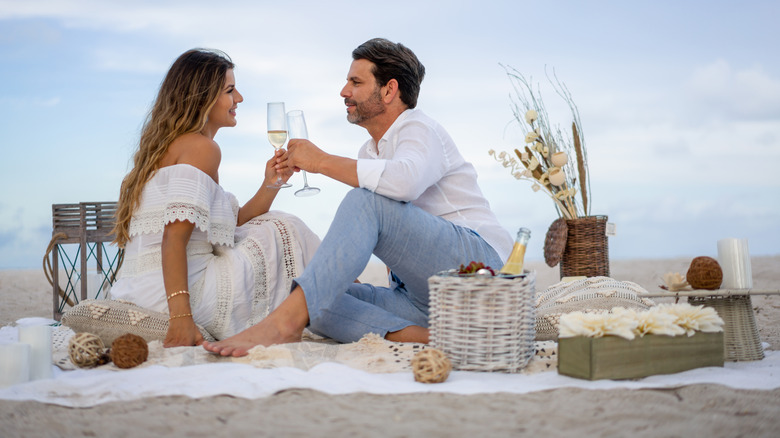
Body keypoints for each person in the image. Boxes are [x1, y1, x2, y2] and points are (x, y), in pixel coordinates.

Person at [203, 38, 512, 356]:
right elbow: (364, 232)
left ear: (389, 90)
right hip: (421, 298)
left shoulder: (419, 128)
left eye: (356, 82)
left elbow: (402, 184)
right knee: (318, 300)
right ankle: (429, 336)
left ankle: (281, 325)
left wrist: (321, 162)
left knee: (364, 202)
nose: (344, 91)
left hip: (478, 269)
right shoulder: (369, 151)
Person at [110, 49, 320, 347]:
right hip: (176, 294)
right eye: (230, 90)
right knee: (286, 228)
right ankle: (350, 297)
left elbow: (232, 223)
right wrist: (181, 319)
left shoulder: (171, 149)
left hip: (141, 287)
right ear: (202, 98)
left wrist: (272, 182)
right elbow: (174, 238)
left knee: (277, 224)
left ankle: (346, 295)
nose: (240, 99)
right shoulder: (201, 149)